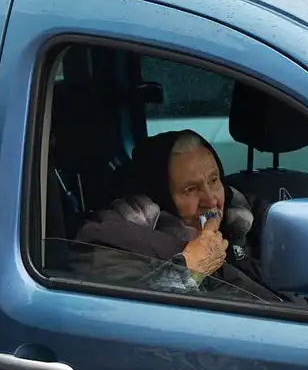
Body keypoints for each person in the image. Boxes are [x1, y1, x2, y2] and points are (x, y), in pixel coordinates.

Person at [73, 130, 280, 304]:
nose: (211, 200)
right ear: (159, 198)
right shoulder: (112, 242)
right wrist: (190, 269)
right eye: (190, 189)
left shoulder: (254, 217)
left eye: (214, 180)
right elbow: (129, 318)